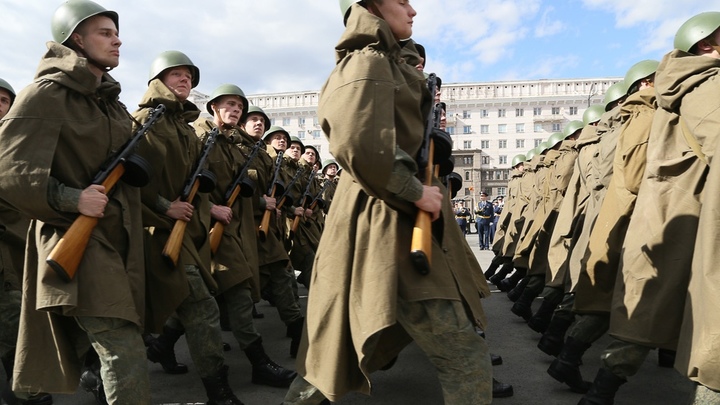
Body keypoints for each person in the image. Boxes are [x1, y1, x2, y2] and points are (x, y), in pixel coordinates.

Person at [283, 1, 493, 404]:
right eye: (401, 0)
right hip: (386, 224)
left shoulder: (390, 64)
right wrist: (416, 190)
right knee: (463, 352)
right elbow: (359, 142)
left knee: (340, 352)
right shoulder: (367, 62)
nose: (412, 10)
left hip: (397, 222)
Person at [0, 1, 151, 403]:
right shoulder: (45, 94)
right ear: (76, 39)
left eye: (116, 33)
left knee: (98, 345)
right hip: (75, 240)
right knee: (124, 347)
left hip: (116, 239)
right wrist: (72, 198)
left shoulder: (110, 104)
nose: (117, 40)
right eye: (105, 32)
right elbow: (9, 172)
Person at [581, 13, 720, 404]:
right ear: (706, 44)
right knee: (700, 328)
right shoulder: (708, 85)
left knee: (652, 314)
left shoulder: (666, 101)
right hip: (685, 220)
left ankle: (595, 386)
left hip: (671, 217)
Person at [134, 51, 243, 405]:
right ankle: (219, 392)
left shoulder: (184, 129)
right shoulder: (145, 121)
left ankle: (163, 352)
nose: (185, 80)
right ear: (158, 79)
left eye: (189, 76)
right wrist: (167, 206)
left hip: (182, 233)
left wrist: (203, 203)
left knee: (185, 307)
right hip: (154, 231)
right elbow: (132, 181)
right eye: (176, 74)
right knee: (196, 309)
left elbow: (191, 184)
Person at [193, 84, 297, 388]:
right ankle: (258, 363)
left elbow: (246, 185)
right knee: (233, 292)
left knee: (212, 296)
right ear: (213, 106)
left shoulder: (230, 143)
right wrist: (210, 208)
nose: (236, 110)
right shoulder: (200, 138)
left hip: (232, 228)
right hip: (206, 227)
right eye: (230, 104)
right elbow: (183, 181)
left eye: (239, 105)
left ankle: (163, 344)